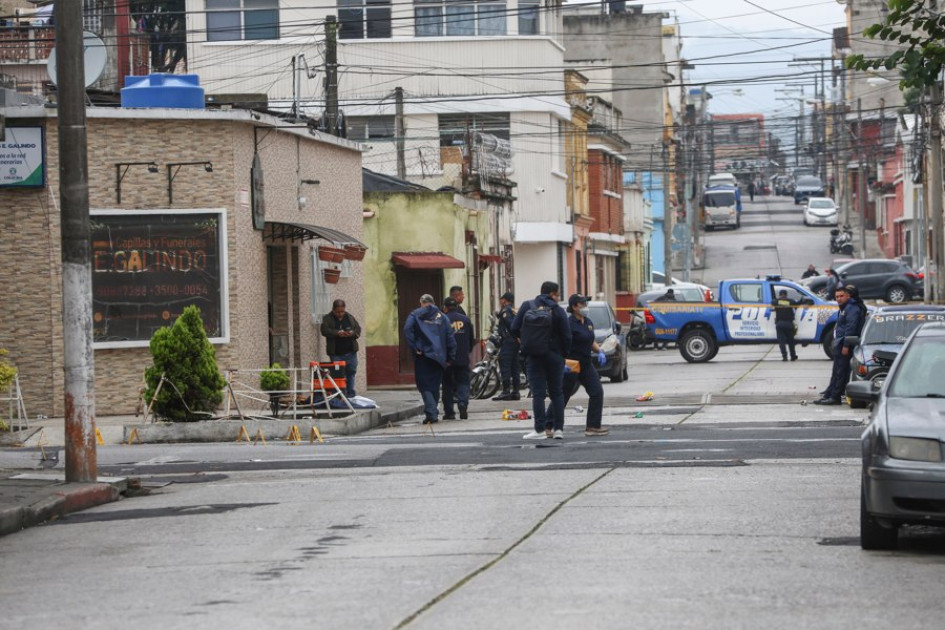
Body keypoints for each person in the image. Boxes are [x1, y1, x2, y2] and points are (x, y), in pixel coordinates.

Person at [511, 281, 571, 440]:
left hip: (534, 356)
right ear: (552, 294)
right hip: (555, 356)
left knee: (538, 394)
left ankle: (539, 430)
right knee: (557, 393)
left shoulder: (527, 305)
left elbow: (514, 327)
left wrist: (524, 342)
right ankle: (558, 430)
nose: (558, 298)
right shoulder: (557, 310)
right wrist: (563, 354)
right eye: (557, 295)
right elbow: (567, 335)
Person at [558, 294, 609, 436]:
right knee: (563, 395)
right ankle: (548, 425)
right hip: (572, 364)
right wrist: (561, 362)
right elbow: (561, 344)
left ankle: (593, 426)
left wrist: (600, 351)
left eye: (586, 303)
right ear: (574, 307)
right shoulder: (568, 324)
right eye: (582, 304)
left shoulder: (588, 322)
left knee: (597, 392)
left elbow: (590, 341)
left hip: (586, 363)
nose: (585, 307)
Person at [404, 294, 456, 423]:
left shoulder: (415, 315)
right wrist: (450, 357)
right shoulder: (442, 317)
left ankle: (431, 413)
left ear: (421, 303)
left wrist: (415, 347)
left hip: (423, 355)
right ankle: (433, 412)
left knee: (424, 385)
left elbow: (407, 330)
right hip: (439, 357)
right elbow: (450, 338)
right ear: (433, 302)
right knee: (434, 385)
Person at [814, 284, 866, 405]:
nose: (838, 299)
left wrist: (846, 346)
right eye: (837, 296)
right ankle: (830, 394)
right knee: (836, 371)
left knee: (841, 372)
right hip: (839, 343)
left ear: (848, 296)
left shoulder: (852, 308)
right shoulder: (844, 308)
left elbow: (850, 328)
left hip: (844, 344)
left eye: (841, 296)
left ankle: (835, 397)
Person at [320, 299, 361, 398]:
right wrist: (337, 333)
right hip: (336, 353)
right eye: (338, 312)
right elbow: (324, 330)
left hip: (350, 352)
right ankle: (339, 395)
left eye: (342, 311)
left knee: (351, 372)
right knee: (338, 374)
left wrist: (352, 333)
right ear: (333, 310)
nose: (340, 314)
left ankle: (350, 394)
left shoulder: (350, 317)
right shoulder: (327, 318)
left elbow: (358, 329)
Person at [442, 297, 473, 420]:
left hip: (447, 359)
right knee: (464, 383)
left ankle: (449, 412)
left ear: (445, 307)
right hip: (462, 358)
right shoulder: (466, 320)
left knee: (447, 385)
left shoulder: (443, 320)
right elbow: (471, 340)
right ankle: (462, 403)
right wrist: (467, 352)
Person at [492, 292, 521, 401]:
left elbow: (512, 325)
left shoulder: (506, 310)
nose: (500, 302)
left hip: (508, 341)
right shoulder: (513, 310)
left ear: (505, 300)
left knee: (505, 364)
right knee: (514, 366)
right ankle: (516, 392)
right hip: (514, 341)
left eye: (501, 299)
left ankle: (506, 391)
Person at [771, 289, 798, 362]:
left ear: (779, 295)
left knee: (781, 342)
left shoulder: (776, 302)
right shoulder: (790, 301)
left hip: (780, 324)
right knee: (791, 342)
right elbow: (796, 303)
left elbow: (773, 302)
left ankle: (784, 357)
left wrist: (780, 301)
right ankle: (793, 356)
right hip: (789, 324)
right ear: (786, 295)